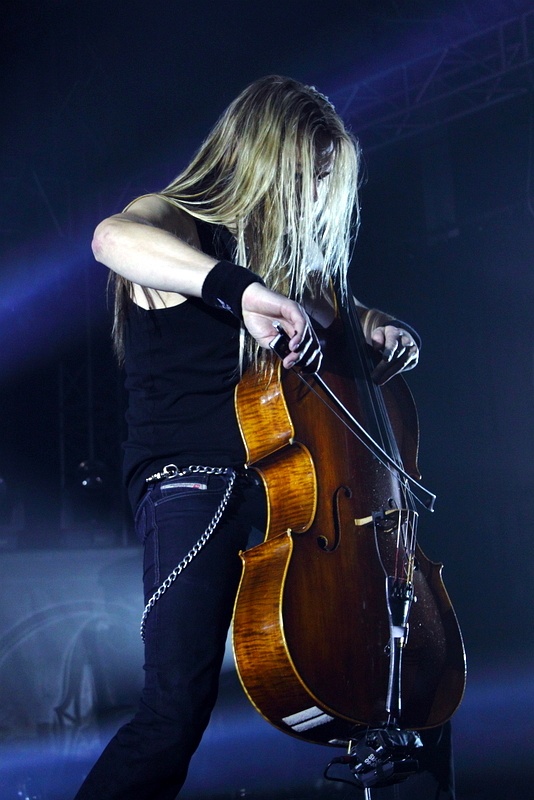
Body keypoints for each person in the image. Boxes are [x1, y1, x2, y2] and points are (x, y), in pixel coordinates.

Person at [74, 75, 453, 800]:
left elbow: (333, 306)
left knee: (417, 687)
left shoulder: (295, 272)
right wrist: (239, 292)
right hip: (194, 480)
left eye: (328, 183)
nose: (317, 199)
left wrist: (371, 324)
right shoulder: (178, 221)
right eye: (309, 177)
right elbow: (111, 239)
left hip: (292, 494)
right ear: (262, 161)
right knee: (174, 707)